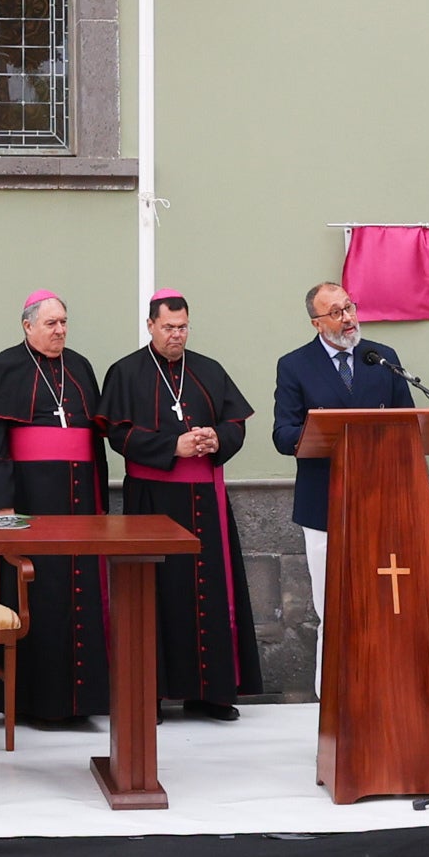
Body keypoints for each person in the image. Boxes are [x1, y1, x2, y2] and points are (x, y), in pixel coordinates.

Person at [97, 293, 258, 723]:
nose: (177, 335)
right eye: (169, 327)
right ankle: (152, 693)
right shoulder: (125, 372)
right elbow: (116, 435)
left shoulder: (207, 369)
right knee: (155, 595)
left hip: (204, 499)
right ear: (150, 325)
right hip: (152, 499)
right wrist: (173, 446)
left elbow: (236, 422)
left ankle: (212, 693)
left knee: (210, 593)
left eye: (183, 327)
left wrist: (216, 439)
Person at [0, 293, 113, 732]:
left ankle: (82, 700)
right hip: (30, 499)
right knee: (35, 595)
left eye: (64, 322)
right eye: (51, 323)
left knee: (80, 593)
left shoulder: (80, 367)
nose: (60, 330)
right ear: (27, 326)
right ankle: (31, 702)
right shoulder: (3, 367)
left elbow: (93, 440)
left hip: (80, 499)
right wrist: (3, 504)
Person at [270, 282, 414, 622]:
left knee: (385, 609)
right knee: (335, 611)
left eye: (349, 307)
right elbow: (282, 434)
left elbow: (407, 422)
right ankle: (330, 678)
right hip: (324, 503)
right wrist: (325, 432)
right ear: (317, 323)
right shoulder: (295, 365)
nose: (348, 317)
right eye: (335, 313)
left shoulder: (382, 358)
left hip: (382, 499)